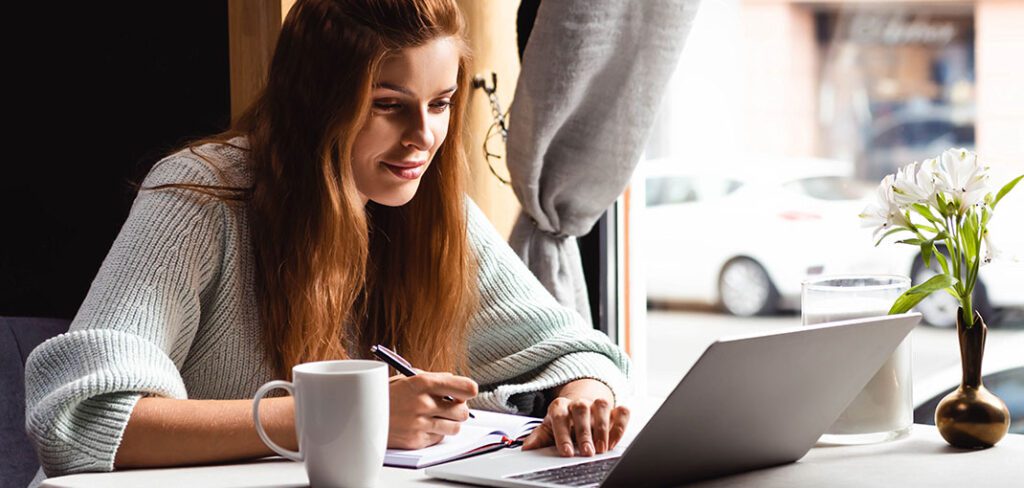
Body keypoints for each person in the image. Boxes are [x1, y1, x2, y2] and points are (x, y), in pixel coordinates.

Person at [23, 0, 631, 484]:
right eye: (389, 106)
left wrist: (582, 399)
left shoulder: (425, 206)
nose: (424, 137)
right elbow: (82, 424)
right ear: (318, 103)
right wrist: (344, 417)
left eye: (441, 103)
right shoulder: (201, 195)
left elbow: (581, 352)